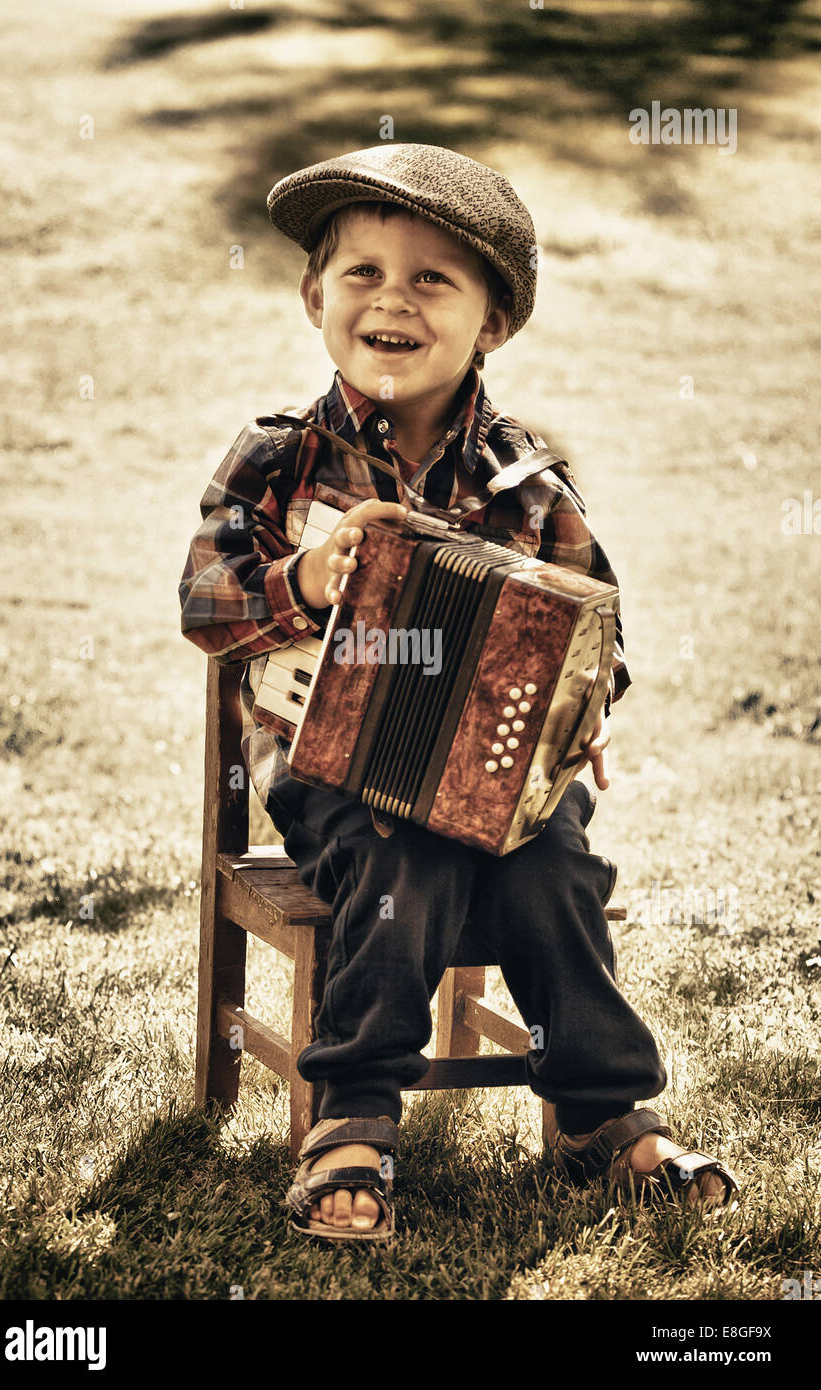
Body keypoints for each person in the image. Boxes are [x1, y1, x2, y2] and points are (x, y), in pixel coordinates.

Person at [179, 144, 738, 1242]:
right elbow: (207, 602)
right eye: (363, 272)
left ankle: (598, 1109)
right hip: (329, 771)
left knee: (555, 864)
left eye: (432, 278)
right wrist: (305, 578)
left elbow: (597, 624)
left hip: (497, 771)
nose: (392, 298)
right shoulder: (277, 461)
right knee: (402, 847)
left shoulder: (525, 478)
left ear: (492, 321)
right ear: (313, 297)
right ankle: (351, 1112)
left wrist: (582, 714)